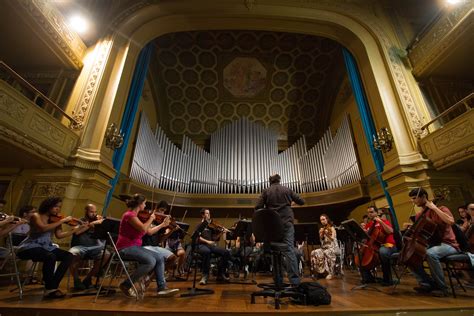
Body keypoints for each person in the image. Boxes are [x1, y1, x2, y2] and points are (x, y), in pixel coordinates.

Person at [116, 194, 178, 297]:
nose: (145, 206)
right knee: (151, 261)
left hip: (135, 247)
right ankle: (126, 284)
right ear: (140, 204)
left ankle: (162, 288)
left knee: (159, 257)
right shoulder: (129, 215)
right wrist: (151, 219)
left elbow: (149, 232)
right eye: (144, 203)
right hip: (125, 248)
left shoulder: (136, 217)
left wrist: (162, 225)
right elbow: (144, 229)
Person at [16, 196, 76, 298]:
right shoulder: (36, 216)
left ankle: (52, 287)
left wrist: (74, 230)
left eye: (59, 207)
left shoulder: (56, 219)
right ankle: (50, 289)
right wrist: (62, 221)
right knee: (50, 256)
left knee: (69, 256)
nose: (58, 209)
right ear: (48, 206)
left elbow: (59, 235)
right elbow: (42, 228)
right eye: (55, 206)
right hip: (30, 246)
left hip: (46, 247)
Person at [255, 173, 305, 286]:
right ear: (279, 180)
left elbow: (258, 207)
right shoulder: (287, 189)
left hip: (273, 225)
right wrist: (289, 203)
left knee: (275, 251)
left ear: (270, 181)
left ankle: (278, 280)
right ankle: (295, 282)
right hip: (287, 223)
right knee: (289, 250)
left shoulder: (266, 191)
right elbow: (302, 201)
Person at [407, 187, 459, 297]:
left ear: (423, 197)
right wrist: (412, 228)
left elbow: (451, 221)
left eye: (414, 198)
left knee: (431, 253)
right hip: (430, 244)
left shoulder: (442, 208)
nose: (413, 201)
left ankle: (442, 288)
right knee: (409, 255)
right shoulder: (419, 215)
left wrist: (434, 208)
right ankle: (427, 283)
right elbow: (421, 233)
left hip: (448, 244)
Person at [69, 204, 111, 290]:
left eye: (95, 212)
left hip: (96, 247)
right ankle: (76, 280)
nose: (94, 214)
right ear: (86, 211)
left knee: (106, 254)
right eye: (91, 212)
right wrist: (90, 225)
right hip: (80, 247)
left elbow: (105, 236)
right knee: (72, 253)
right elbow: (76, 232)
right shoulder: (80, 221)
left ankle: (88, 279)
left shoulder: (98, 221)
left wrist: (103, 224)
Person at [361, 206, 397, 286]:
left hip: (389, 245)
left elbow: (391, 231)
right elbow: (366, 238)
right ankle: (368, 277)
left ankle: (387, 279)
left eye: (371, 212)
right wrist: (363, 231)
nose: (369, 214)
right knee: (361, 254)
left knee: (383, 251)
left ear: (377, 213)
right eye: (368, 213)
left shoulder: (384, 221)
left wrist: (380, 222)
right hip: (375, 246)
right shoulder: (369, 224)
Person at [141, 201, 178, 278]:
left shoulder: (159, 222)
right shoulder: (148, 218)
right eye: (161, 210)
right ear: (156, 208)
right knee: (160, 258)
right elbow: (149, 232)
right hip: (145, 246)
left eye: (164, 211)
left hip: (155, 247)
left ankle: (150, 278)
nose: (162, 213)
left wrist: (171, 230)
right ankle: (150, 278)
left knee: (173, 258)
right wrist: (162, 225)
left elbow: (160, 240)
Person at [195, 208, 232, 285]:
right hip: (201, 245)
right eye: (207, 213)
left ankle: (220, 274)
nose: (209, 215)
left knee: (226, 252)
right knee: (206, 252)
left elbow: (214, 239)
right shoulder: (199, 225)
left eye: (209, 214)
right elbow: (197, 237)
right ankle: (205, 275)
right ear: (202, 215)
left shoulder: (211, 226)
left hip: (210, 245)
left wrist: (221, 233)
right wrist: (207, 241)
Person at [311, 214, 339, 280]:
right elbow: (321, 241)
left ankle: (331, 272)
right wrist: (321, 234)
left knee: (327, 252)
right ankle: (319, 272)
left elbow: (333, 239)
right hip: (324, 247)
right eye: (321, 220)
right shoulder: (322, 229)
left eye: (323, 219)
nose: (322, 221)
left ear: (327, 219)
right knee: (314, 252)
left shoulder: (332, 228)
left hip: (332, 247)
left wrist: (327, 234)